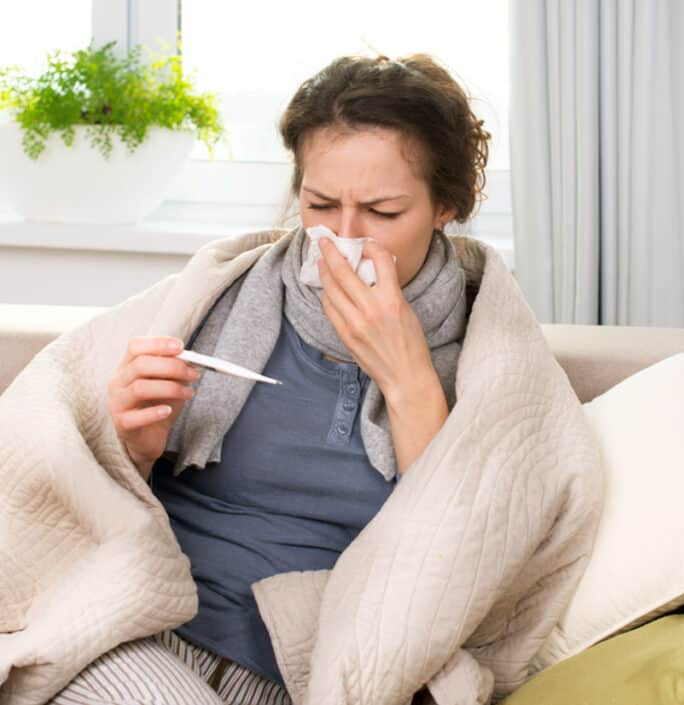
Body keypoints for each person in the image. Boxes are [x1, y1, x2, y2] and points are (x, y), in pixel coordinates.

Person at [50, 52, 490, 705]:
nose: (341, 238)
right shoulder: (220, 299)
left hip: (305, 664)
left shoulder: (482, 354)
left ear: (445, 206)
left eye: (383, 211)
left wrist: (408, 377)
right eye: (319, 203)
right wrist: (132, 444)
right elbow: (71, 505)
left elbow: (451, 562)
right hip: (136, 629)